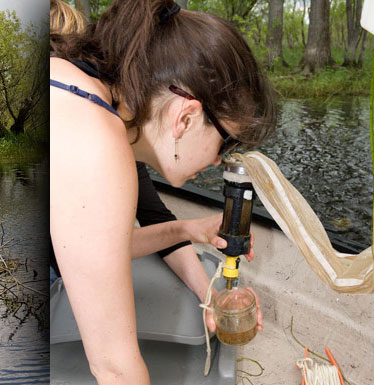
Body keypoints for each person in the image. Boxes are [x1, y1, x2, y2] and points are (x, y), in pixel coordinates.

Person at [49, 1, 276, 383]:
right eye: (226, 143)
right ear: (185, 117)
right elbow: (114, 368)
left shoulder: (77, 91)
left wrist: (192, 238)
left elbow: (90, 249)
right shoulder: (97, 141)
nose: (221, 161)